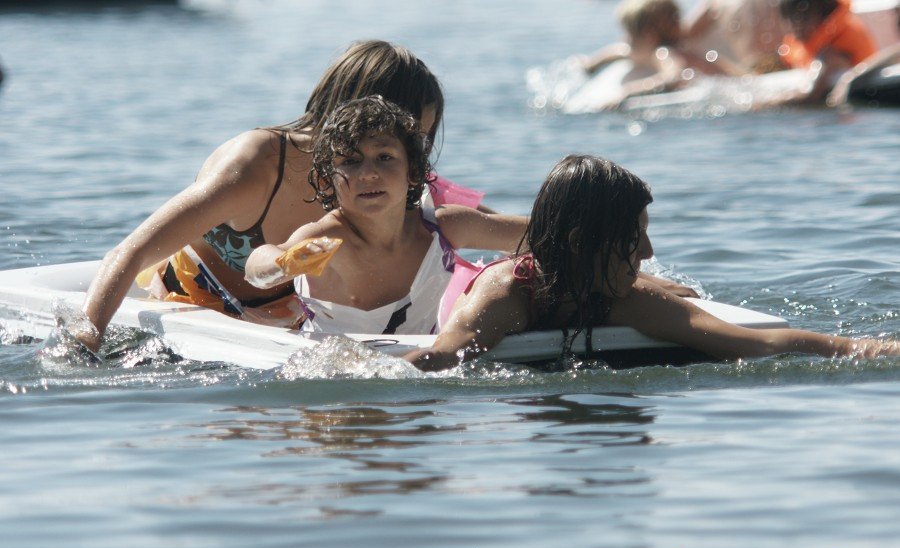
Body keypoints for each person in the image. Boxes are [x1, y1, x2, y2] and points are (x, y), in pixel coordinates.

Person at [75, 40, 493, 353]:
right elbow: (130, 251)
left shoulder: (382, 177)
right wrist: (86, 338)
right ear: (362, 112)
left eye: (419, 139)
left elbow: (484, 224)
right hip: (191, 312)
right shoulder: (256, 165)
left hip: (284, 332)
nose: (415, 148)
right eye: (410, 133)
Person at [405, 155, 899, 371]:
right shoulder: (504, 297)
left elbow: (760, 343)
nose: (648, 251)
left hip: (578, 279)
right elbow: (443, 355)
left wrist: (876, 350)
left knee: (664, 289)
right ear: (581, 241)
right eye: (633, 239)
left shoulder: (620, 298)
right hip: (478, 289)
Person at [244, 96, 527, 335]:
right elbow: (256, 267)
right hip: (336, 391)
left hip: (422, 388)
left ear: (414, 173)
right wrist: (284, 263)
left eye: (384, 157)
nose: (369, 173)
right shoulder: (324, 239)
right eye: (350, 162)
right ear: (325, 182)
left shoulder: (444, 228)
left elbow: (545, 234)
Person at [580, 0, 738, 107]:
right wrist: (591, 64)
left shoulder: (664, 53)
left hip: (736, 82)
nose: (625, 39)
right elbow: (619, 51)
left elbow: (672, 77)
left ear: (649, 35)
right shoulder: (639, 50)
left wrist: (628, 92)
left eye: (629, 33)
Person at [778, 0, 878, 101]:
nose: (797, 26)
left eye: (804, 19)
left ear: (824, 16)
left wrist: (771, 103)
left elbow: (812, 93)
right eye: (791, 19)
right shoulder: (802, 45)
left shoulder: (836, 46)